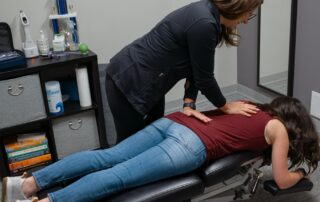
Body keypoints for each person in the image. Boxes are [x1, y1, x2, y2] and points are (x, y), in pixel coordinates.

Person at [3, 96, 320, 202]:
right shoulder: (277, 128)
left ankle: (25, 184)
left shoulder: (250, 105)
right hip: (190, 145)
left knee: (107, 155)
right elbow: (280, 177)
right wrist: (301, 172)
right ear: (295, 123)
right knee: (119, 176)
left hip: (175, 121)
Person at [105, 0, 263, 143]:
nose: (247, 20)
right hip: (129, 79)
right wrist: (225, 106)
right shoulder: (205, 22)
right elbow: (205, 79)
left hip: (150, 80)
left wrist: (189, 103)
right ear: (237, 6)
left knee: (153, 135)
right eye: (249, 12)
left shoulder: (209, 16)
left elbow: (197, 68)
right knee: (128, 146)